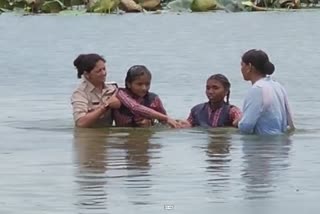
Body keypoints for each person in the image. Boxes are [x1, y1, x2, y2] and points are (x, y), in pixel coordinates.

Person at [234, 49, 295, 135]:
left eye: (242, 65)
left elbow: (246, 126)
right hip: (280, 143)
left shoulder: (257, 89)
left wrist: (238, 123)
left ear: (249, 67)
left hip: (263, 145)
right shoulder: (278, 86)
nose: (241, 69)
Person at [113, 65, 180, 128]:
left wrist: (151, 123)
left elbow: (164, 122)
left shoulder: (154, 100)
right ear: (129, 84)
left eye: (147, 84)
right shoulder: (121, 93)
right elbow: (135, 107)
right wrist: (166, 118)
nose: (144, 88)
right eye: (139, 84)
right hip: (125, 136)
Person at [71, 53, 120, 128]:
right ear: (86, 74)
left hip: (107, 135)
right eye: (98, 71)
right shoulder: (80, 93)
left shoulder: (113, 89)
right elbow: (80, 123)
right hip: (87, 137)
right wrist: (106, 105)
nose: (103, 73)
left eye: (104, 69)